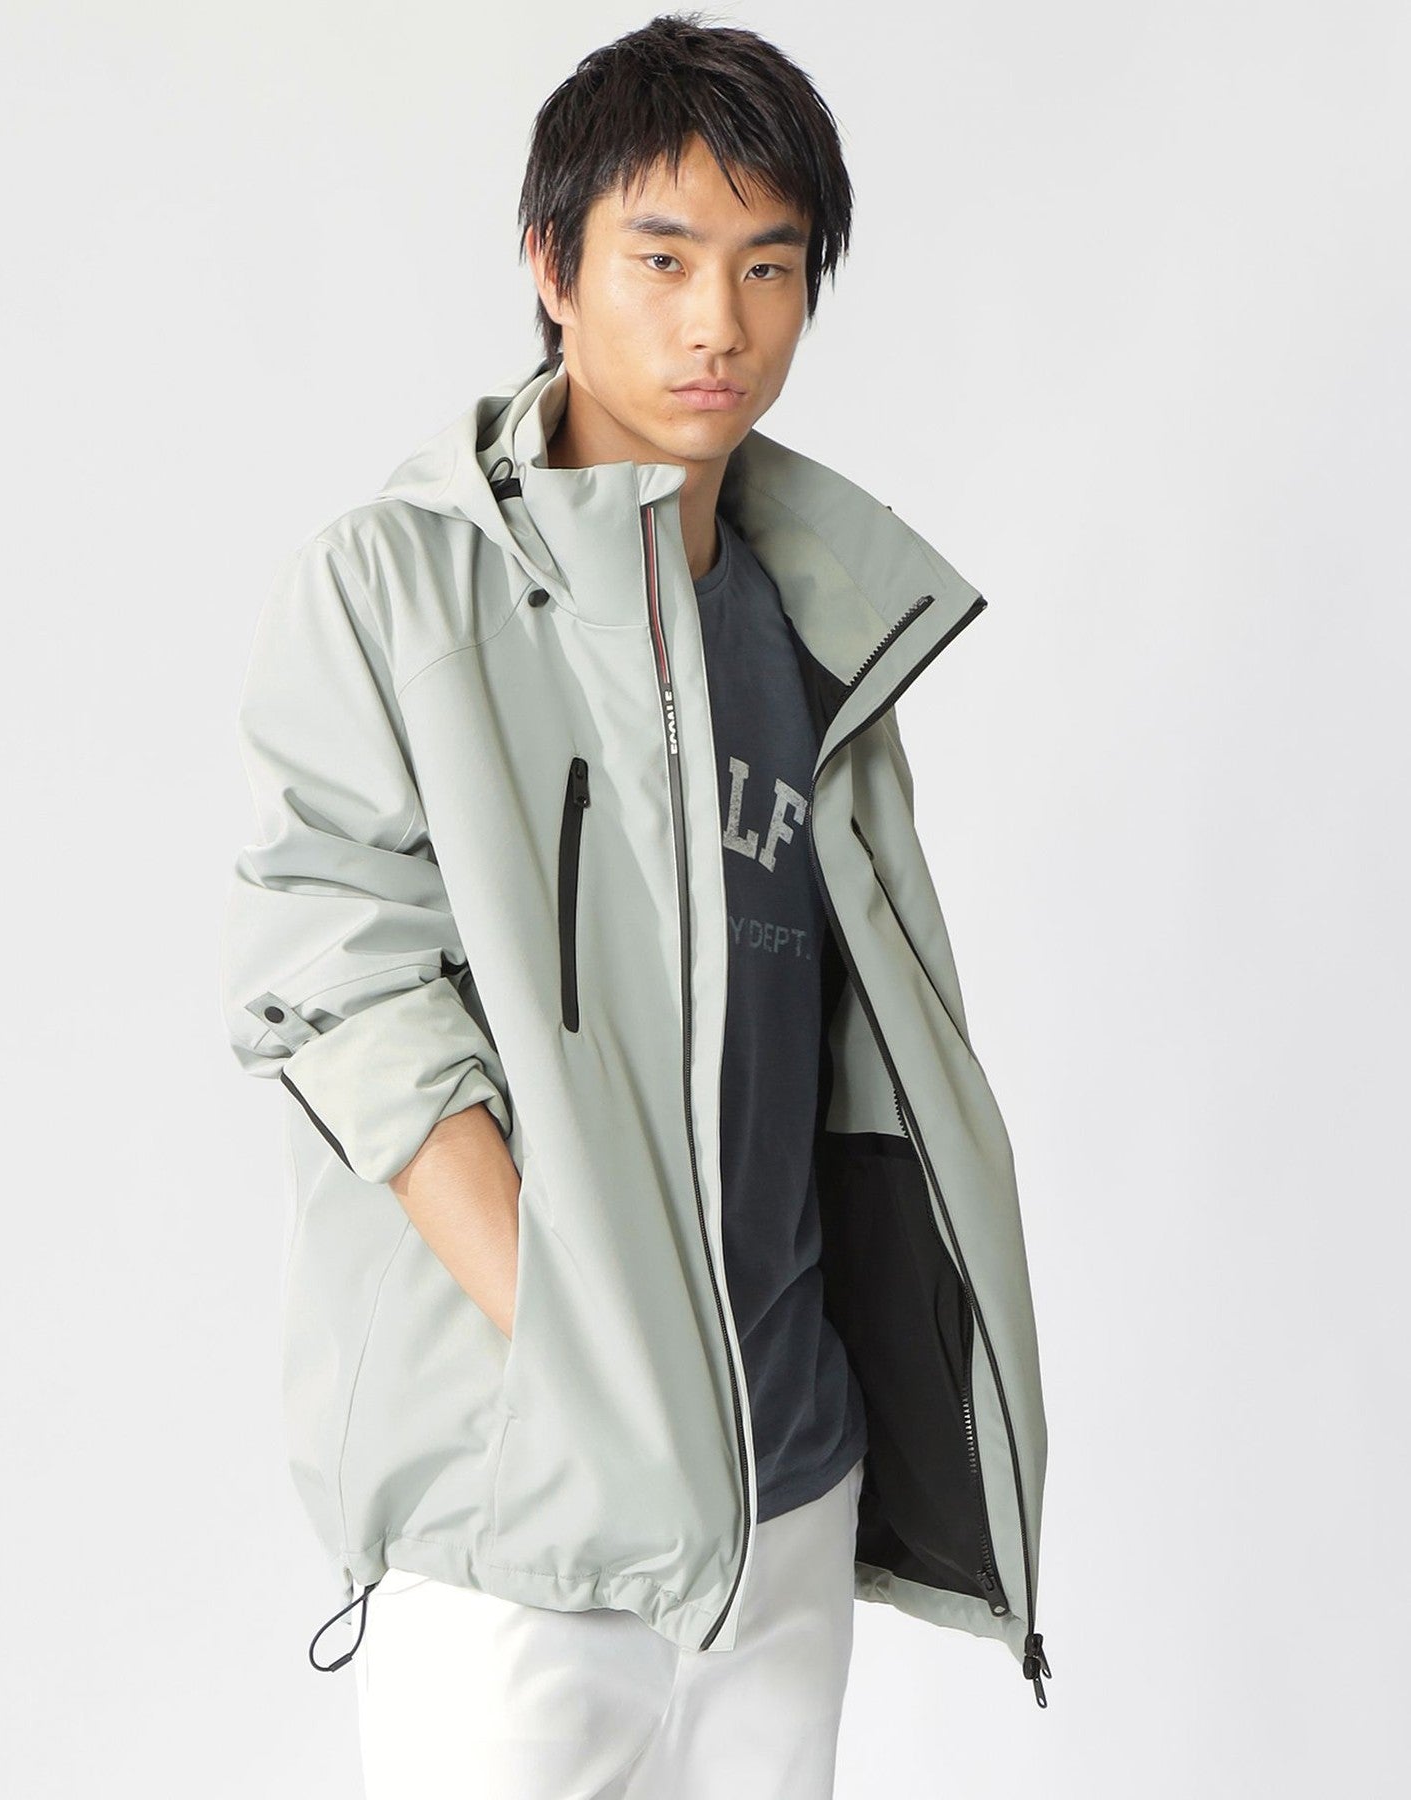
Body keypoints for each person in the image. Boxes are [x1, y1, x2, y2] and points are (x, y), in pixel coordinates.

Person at [220, 12, 1052, 1798]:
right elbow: (339, 983)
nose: (718, 323)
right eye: (662, 259)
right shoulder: (400, 588)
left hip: (789, 1498)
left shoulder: (819, 627)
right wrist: (578, 1351)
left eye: (769, 267)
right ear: (552, 264)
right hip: (525, 1525)